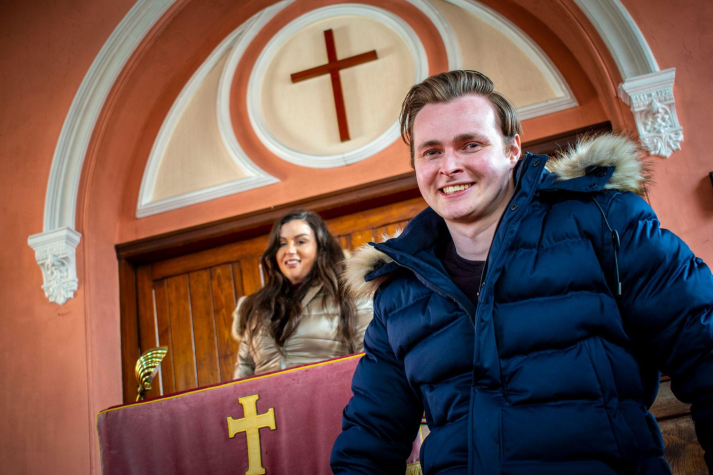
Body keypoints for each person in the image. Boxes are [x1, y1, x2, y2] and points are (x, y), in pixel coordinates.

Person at [330, 70, 713, 474]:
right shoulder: (400, 292)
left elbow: (706, 348)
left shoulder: (605, 222)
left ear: (513, 149)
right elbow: (369, 439)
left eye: (470, 144)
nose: (450, 166)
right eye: (431, 152)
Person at [231, 209, 373, 378]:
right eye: (282, 243)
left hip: (332, 401)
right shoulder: (256, 306)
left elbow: (369, 358)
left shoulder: (349, 292)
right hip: (269, 404)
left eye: (300, 241)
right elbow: (243, 373)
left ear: (320, 247)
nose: (290, 250)